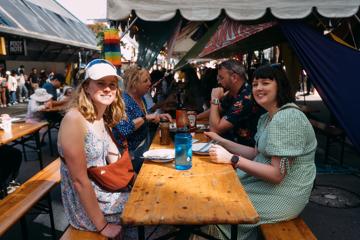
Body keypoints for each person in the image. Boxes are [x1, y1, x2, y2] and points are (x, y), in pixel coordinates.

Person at [205, 64, 317, 240]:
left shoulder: (287, 117)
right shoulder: (267, 117)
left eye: (265, 83)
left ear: (279, 85)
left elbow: (276, 175)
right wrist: (221, 141)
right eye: (255, 84)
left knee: (219, 208)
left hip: (284, 194)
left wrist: (232, 158)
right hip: (266, 186)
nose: (258, 88)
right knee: (215, 194)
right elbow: (255, 153)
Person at [57, 59, 132, 238]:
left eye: (112, 85)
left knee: (148, 199)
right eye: (100, 83)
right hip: (86, 203)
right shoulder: (74, 119)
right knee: (145, 210)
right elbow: (79, 181)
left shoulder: (100, 116)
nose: (107, 89)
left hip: (103, 187)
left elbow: (113, 155)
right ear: (86, 87)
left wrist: (133, 180)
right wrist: (103, 226)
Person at [113, 65, 172, 173]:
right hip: (131, 155)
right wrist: (146, 118)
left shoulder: (142, 98)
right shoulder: (122, 101)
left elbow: (145, 117)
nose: (150, 83)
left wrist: (158, 117)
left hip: (143, 150)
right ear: (134, 84)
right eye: (145, 81)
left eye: (149, 79)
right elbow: (123, 129)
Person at [197, 59, 264, 147]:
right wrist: (196, 117)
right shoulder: (232, 93)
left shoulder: (245, 97)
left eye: (221, 78)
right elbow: (220, 108)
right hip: (228, 144)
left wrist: (214, 100)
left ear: (234, 77)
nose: (218, 81)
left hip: (243, 151)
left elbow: (215, 130)